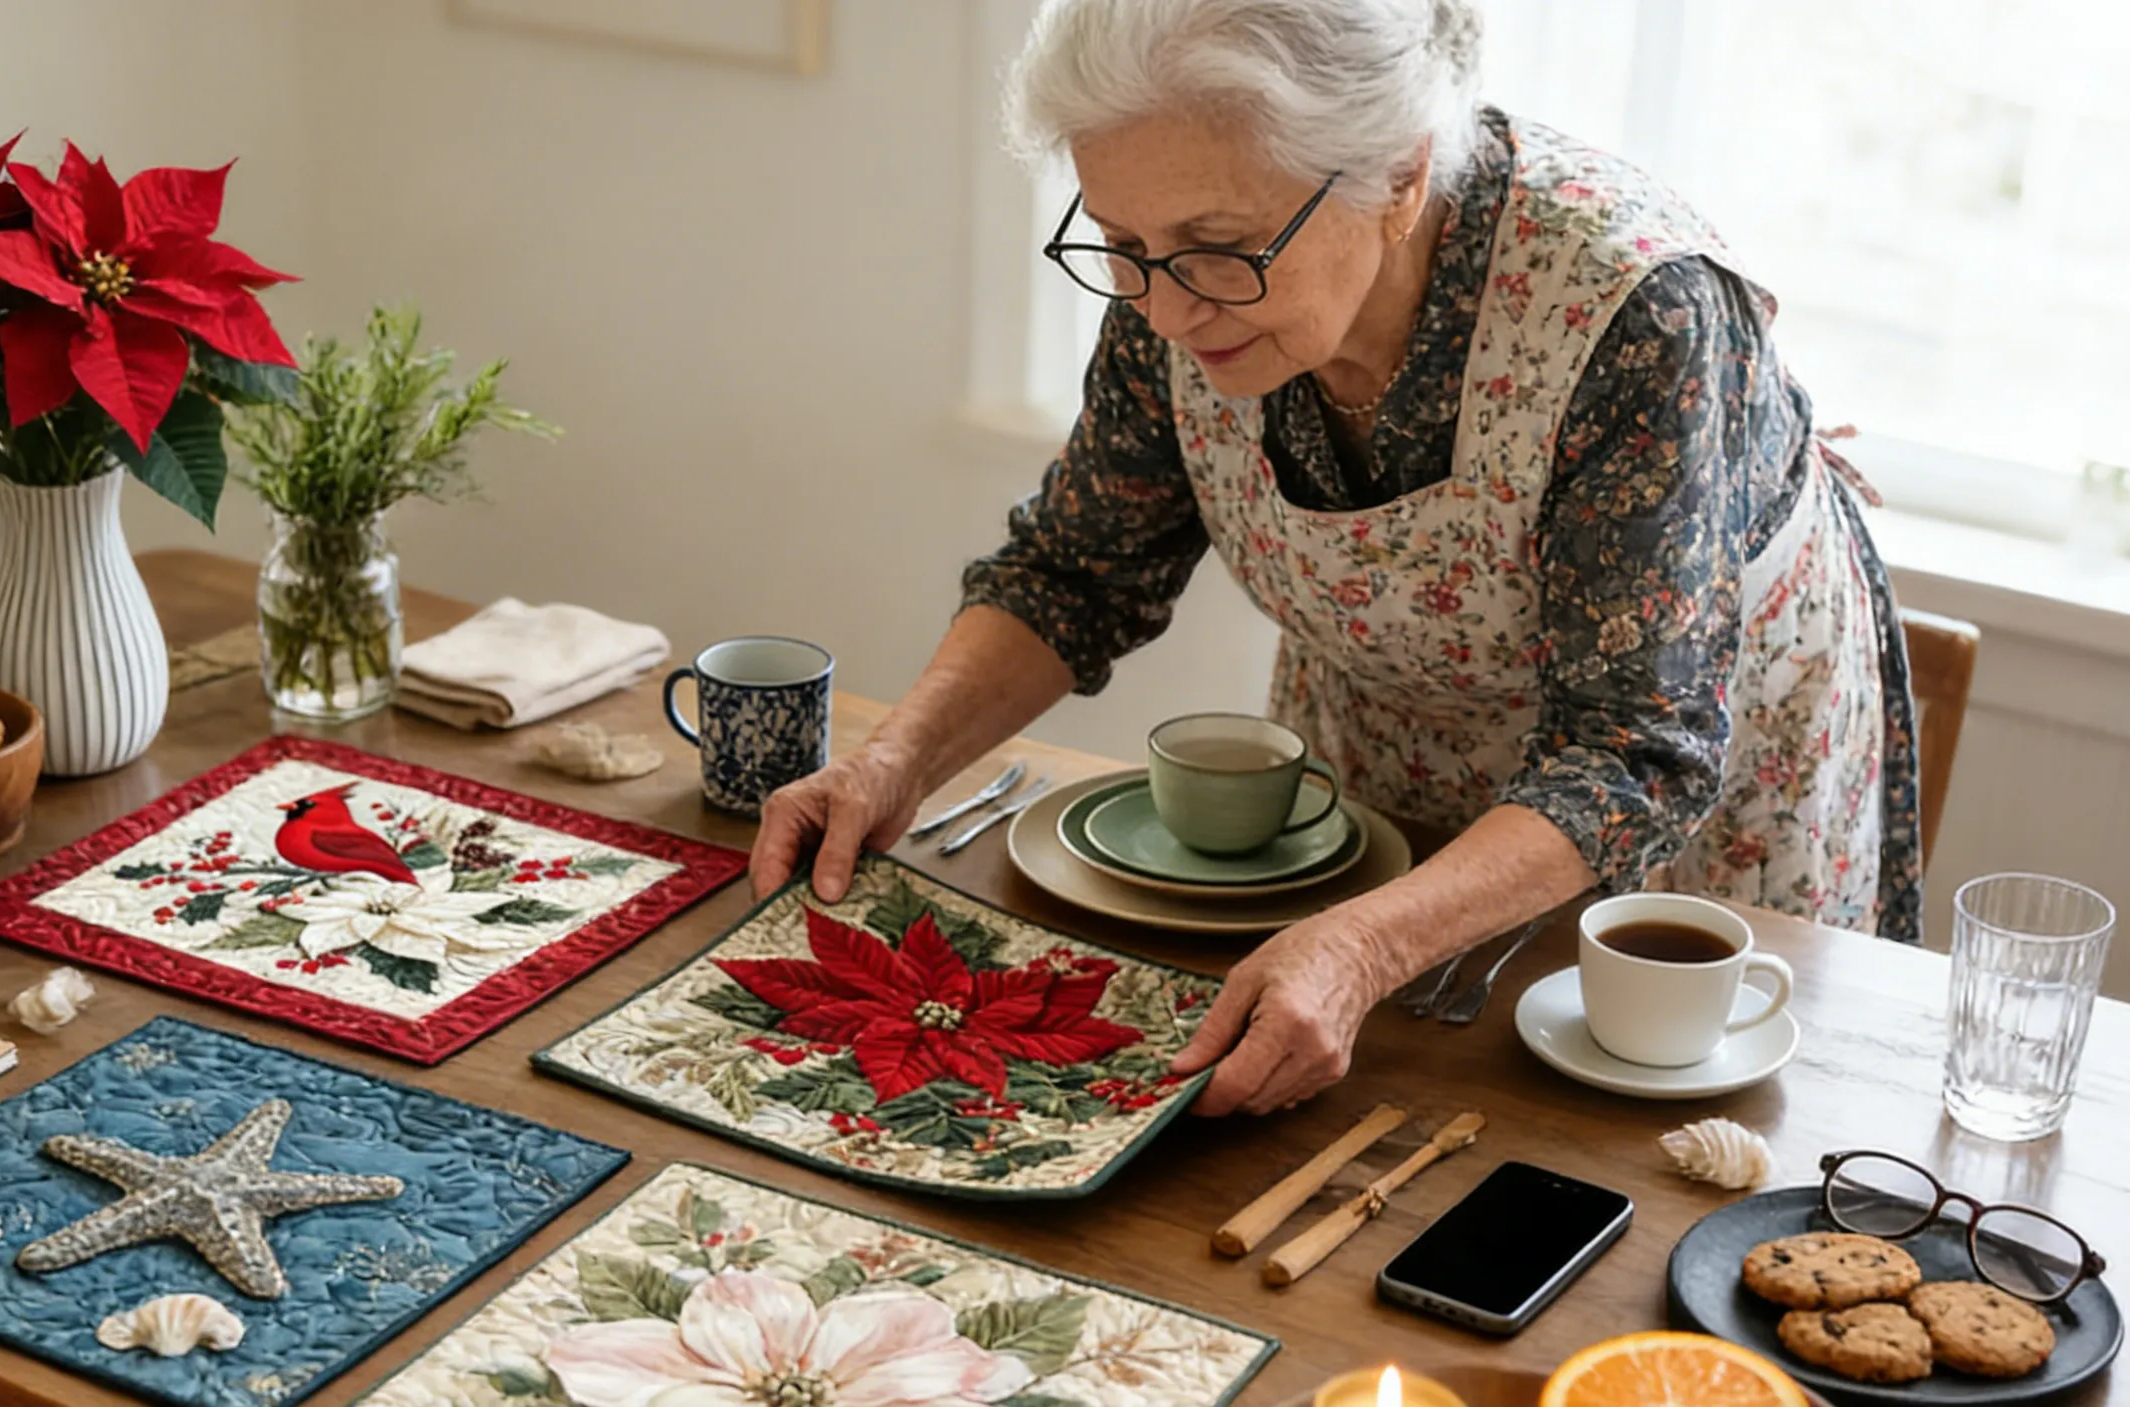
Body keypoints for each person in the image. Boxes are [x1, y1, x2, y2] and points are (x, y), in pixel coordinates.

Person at [751, 0, 1921, 1119]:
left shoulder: (1637, 310)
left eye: (1218, 249)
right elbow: (1077, 572)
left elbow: (1632, 749)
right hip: (1390, 754)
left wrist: (1366, 942)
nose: (1161, 308)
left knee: (1622, 1174)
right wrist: (896, 762)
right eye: (1117, 243)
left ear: (1400, 178)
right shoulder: (1176, 269)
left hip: (1685, 826)